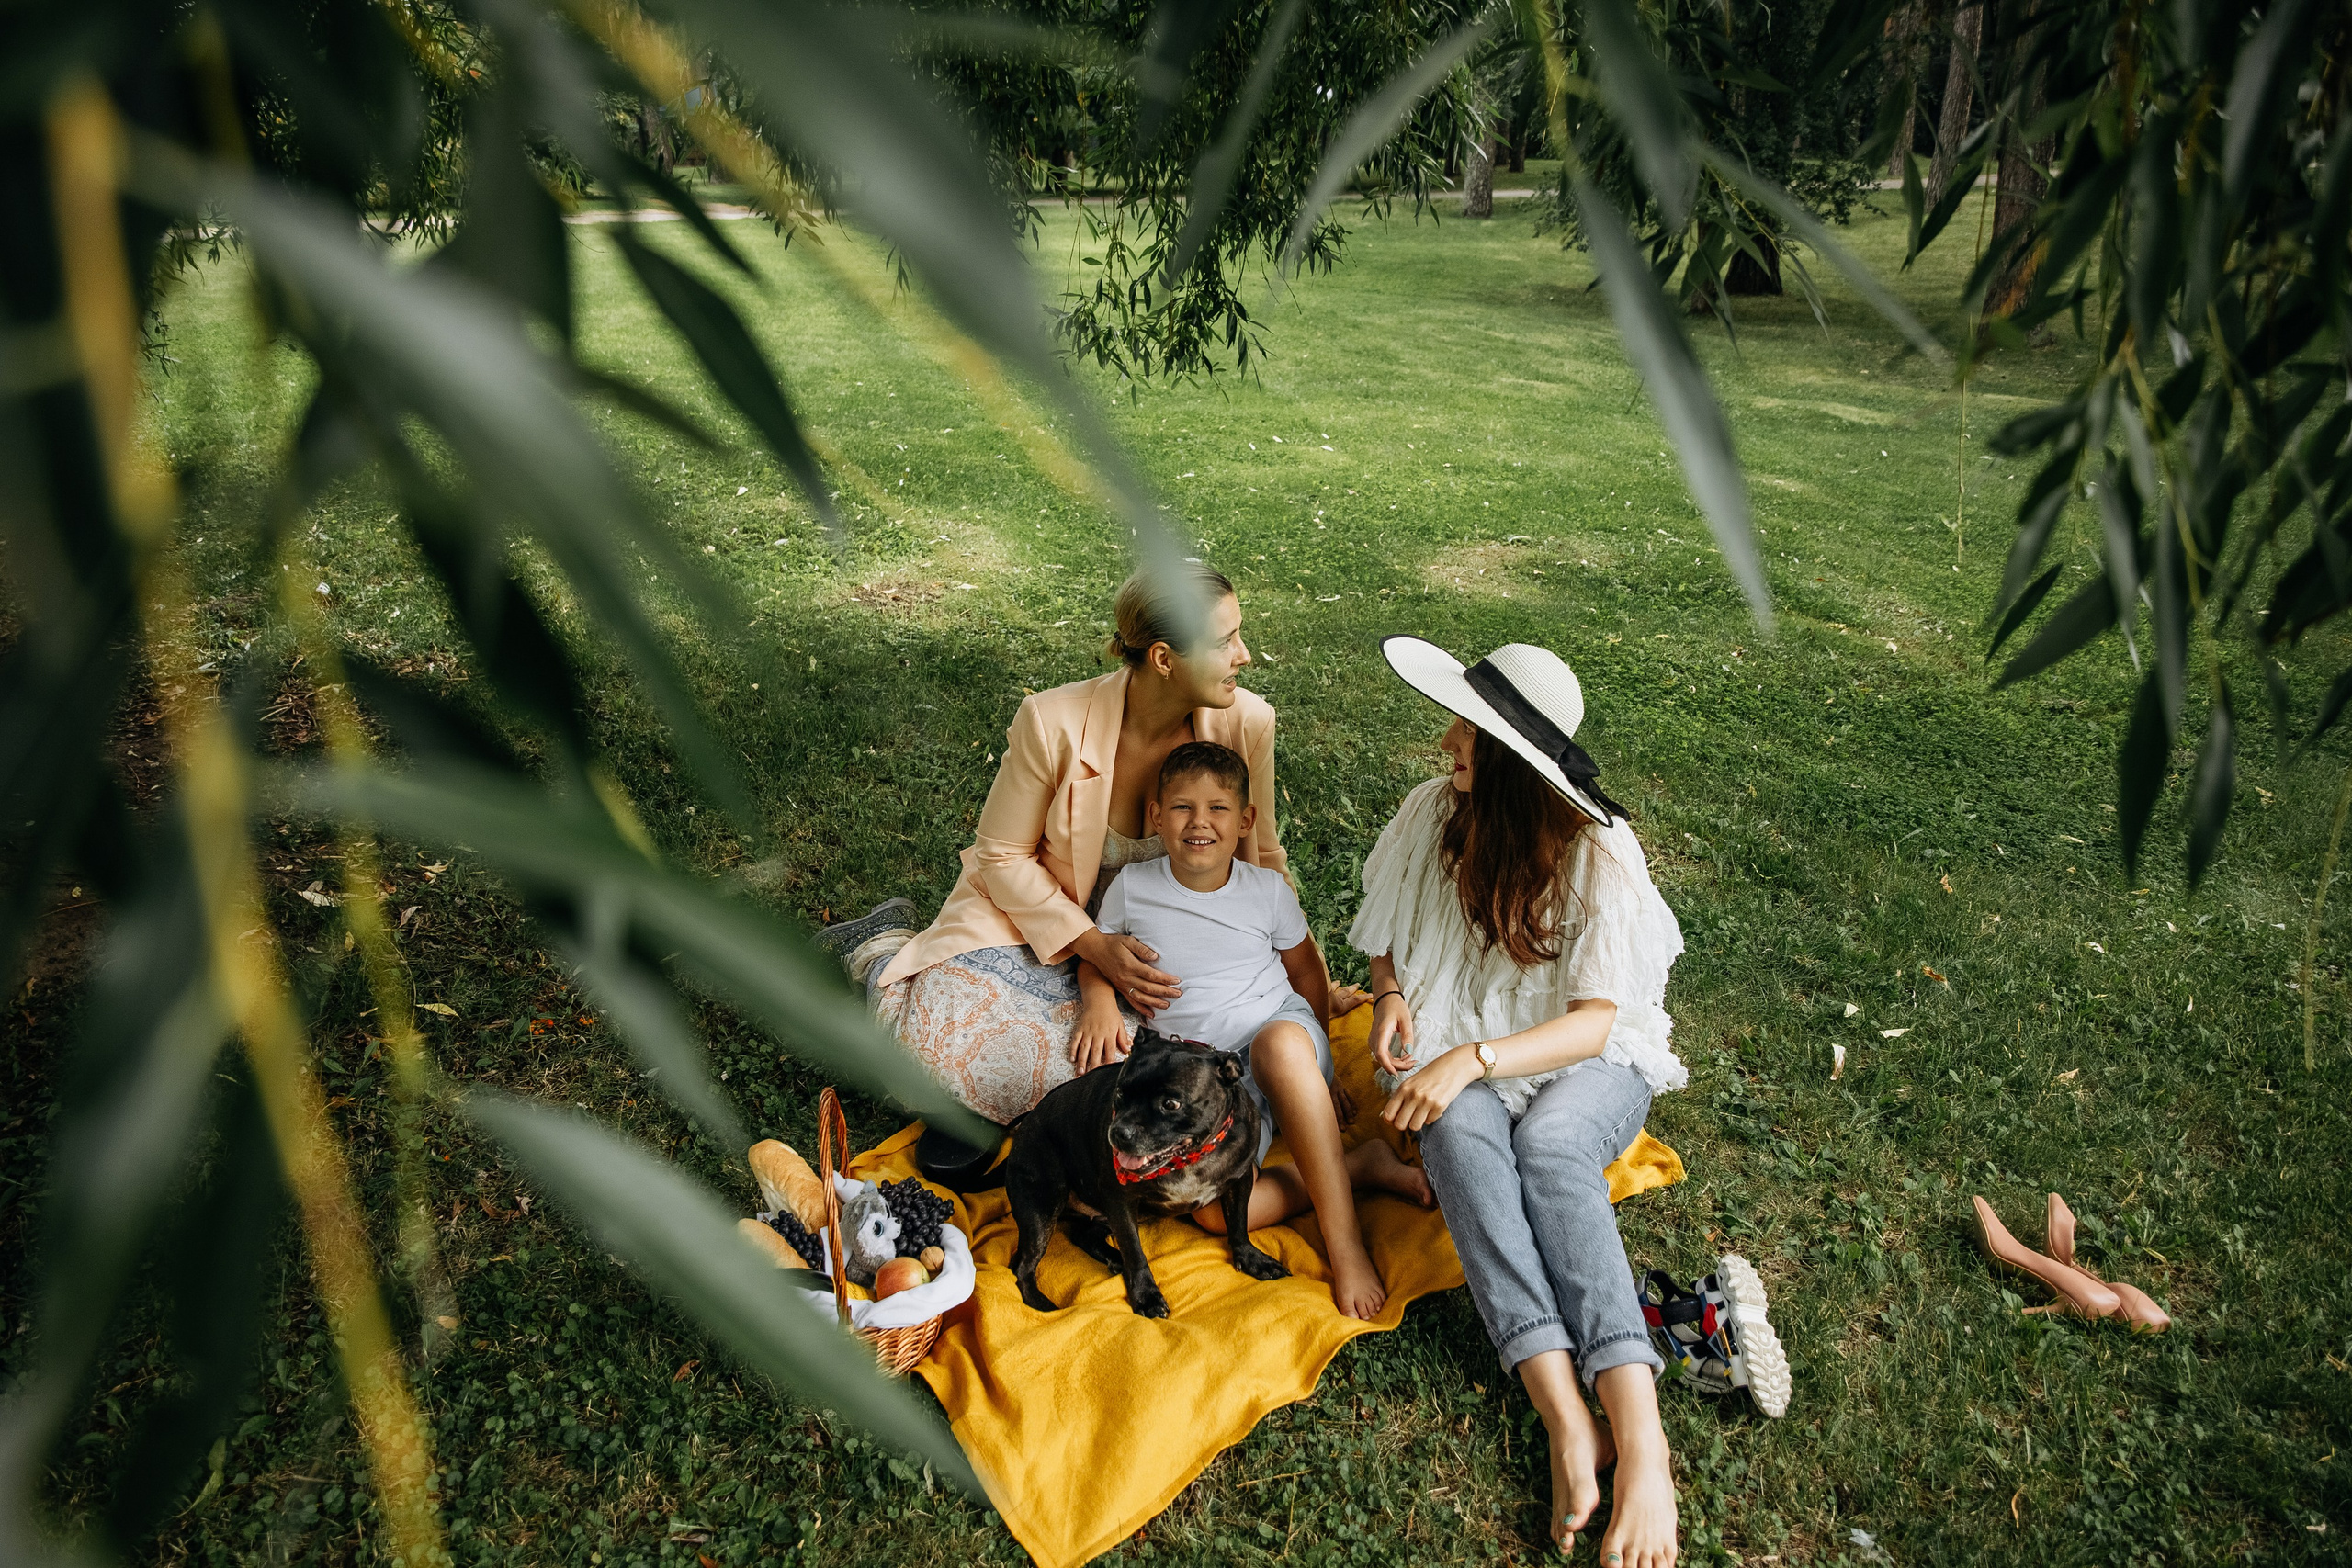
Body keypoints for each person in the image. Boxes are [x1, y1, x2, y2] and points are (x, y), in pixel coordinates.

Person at [820, 564, 1355, 1171]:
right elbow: (1002, 855)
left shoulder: (1246, 722)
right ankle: (879, 948)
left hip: (1160, 961)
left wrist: (1307, 987)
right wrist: (1096, 948)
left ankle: (1007, 1105)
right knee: (936, 1036)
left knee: (1142, 1076)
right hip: (1038, 930)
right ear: (1163, 657)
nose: (1246, 654)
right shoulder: (1050, 722)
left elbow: (1262, 858)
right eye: (1225, 639)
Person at [1354, 637, 1687, 1567]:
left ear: (1507, 755)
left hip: (1583, 1059)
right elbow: (1385, 936)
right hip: (1455, 1049)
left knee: (1549, 1150)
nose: (1448, 740)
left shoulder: (1595, 848)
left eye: (1468, 729)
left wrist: (1473, 1055)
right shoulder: (1430, 814)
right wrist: (1387, 998)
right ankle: (1563, 1416)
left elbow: (1592, 1025)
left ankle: (1643, 1436)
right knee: (1452, 1124)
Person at [1081, 740, 1430, 1319]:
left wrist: (1327, 1067)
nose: (1200, 823)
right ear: (1156, 817)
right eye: (1182, 808)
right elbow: (1099, 956)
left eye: (1218, 809)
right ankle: (1362, 1165)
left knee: (1277, 1043)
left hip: (1280, 1038)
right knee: (1214, 1212)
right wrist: (1097, 1002)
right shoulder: (1132, 886)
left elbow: (1305, 972)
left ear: (1244, 821)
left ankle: (1345, 1247)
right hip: (1205, 1081)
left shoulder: (1264, 890)